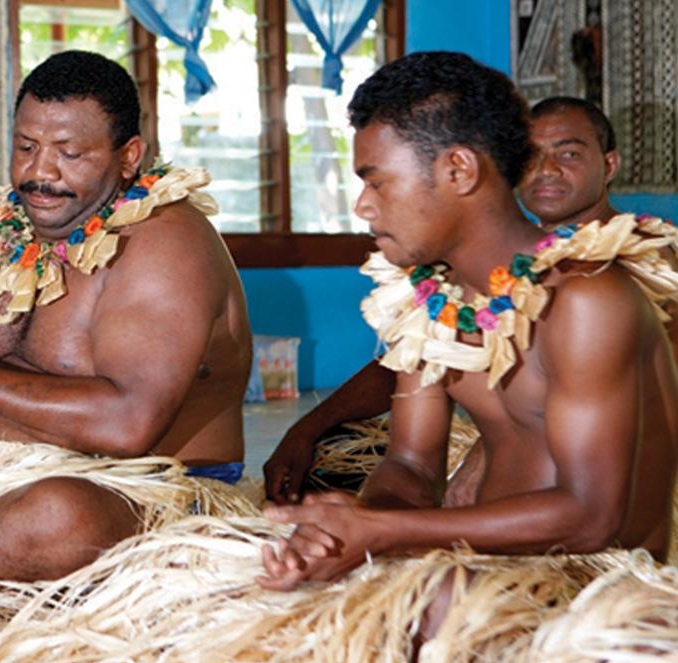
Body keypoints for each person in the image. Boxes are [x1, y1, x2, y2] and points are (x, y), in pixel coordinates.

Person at [257, 51, 678, 592]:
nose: (362, 206)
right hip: (481, 568)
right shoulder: (434, 302)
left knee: (431, 608)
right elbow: (410, 466)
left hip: (592, 589)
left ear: (458, 170)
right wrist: (344, 537)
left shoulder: (587, 299)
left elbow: (593, 517)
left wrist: (383, 531)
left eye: (377, 182)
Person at [0, 50, 254, 583]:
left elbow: (128, 424)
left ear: (128, 157)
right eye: (27, 147)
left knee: (56, 515)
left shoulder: (165, 240)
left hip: (150, 493)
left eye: (70, 153)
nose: (40, 172)